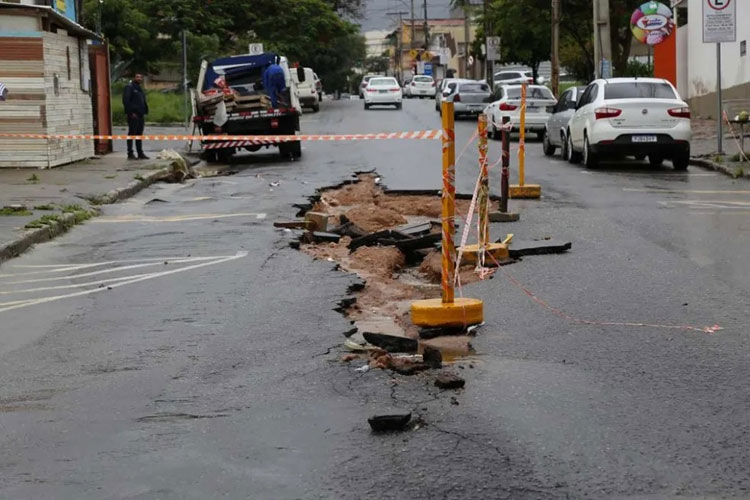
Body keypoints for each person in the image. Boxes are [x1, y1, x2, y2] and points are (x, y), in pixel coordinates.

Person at [122, 74, 149, 160]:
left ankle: (140, 153)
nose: (139, 78)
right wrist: (131, 112)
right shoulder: (129, 87)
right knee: (132, 134)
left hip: (140, 114)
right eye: (137, 77)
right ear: (134, 78)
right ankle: (130, 153)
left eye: (141, 77)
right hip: (133, 115)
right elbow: (126, 101)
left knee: (139, 135)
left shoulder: (139, 88)